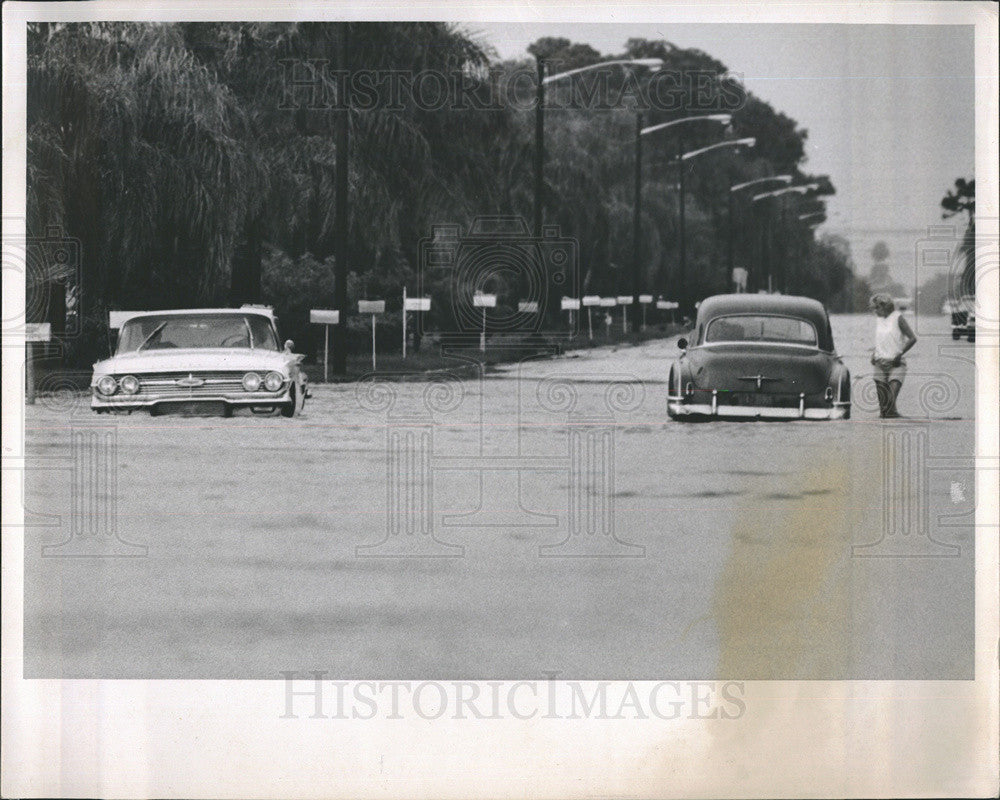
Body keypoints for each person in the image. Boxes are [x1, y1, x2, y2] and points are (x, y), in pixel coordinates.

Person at [869, 293, 917, 418]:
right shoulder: (879, 319)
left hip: (896, 363)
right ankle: (889, 416)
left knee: (890, 399)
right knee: (883, 411)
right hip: (879, 361)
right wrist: (874, 353)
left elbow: (912, 338)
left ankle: (893, 413)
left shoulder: (898, 318)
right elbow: (882, 339)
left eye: (876, 308)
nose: (875, 311)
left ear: (884, 307)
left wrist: (900, 353)